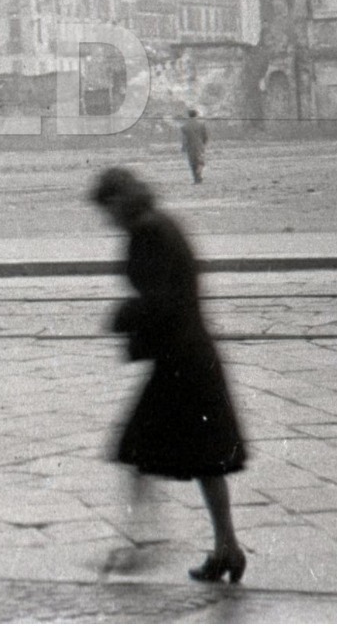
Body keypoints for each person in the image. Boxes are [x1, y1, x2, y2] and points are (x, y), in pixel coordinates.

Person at [89, 166, 247, 585]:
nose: (108, 220)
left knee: (136, 449)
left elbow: (162, 300)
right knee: (205, 459)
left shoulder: (146, 233)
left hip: (179, 363)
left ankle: (140, 547)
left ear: (119, 200)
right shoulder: (164, 223)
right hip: (192, 356)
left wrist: (123, 315)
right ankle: (226, 547)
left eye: (107, 209)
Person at [180, 108, 209, 184]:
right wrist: (203, 144)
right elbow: (205, 136)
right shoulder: (201, 124)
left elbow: (184, 138)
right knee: (200, 162)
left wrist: (183, 147)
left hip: (190, 147)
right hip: (199, 146)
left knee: (192, 163)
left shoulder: (185, 126)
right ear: (196, 115)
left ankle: (196, 178)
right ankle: (199, 175)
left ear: (188, 115)